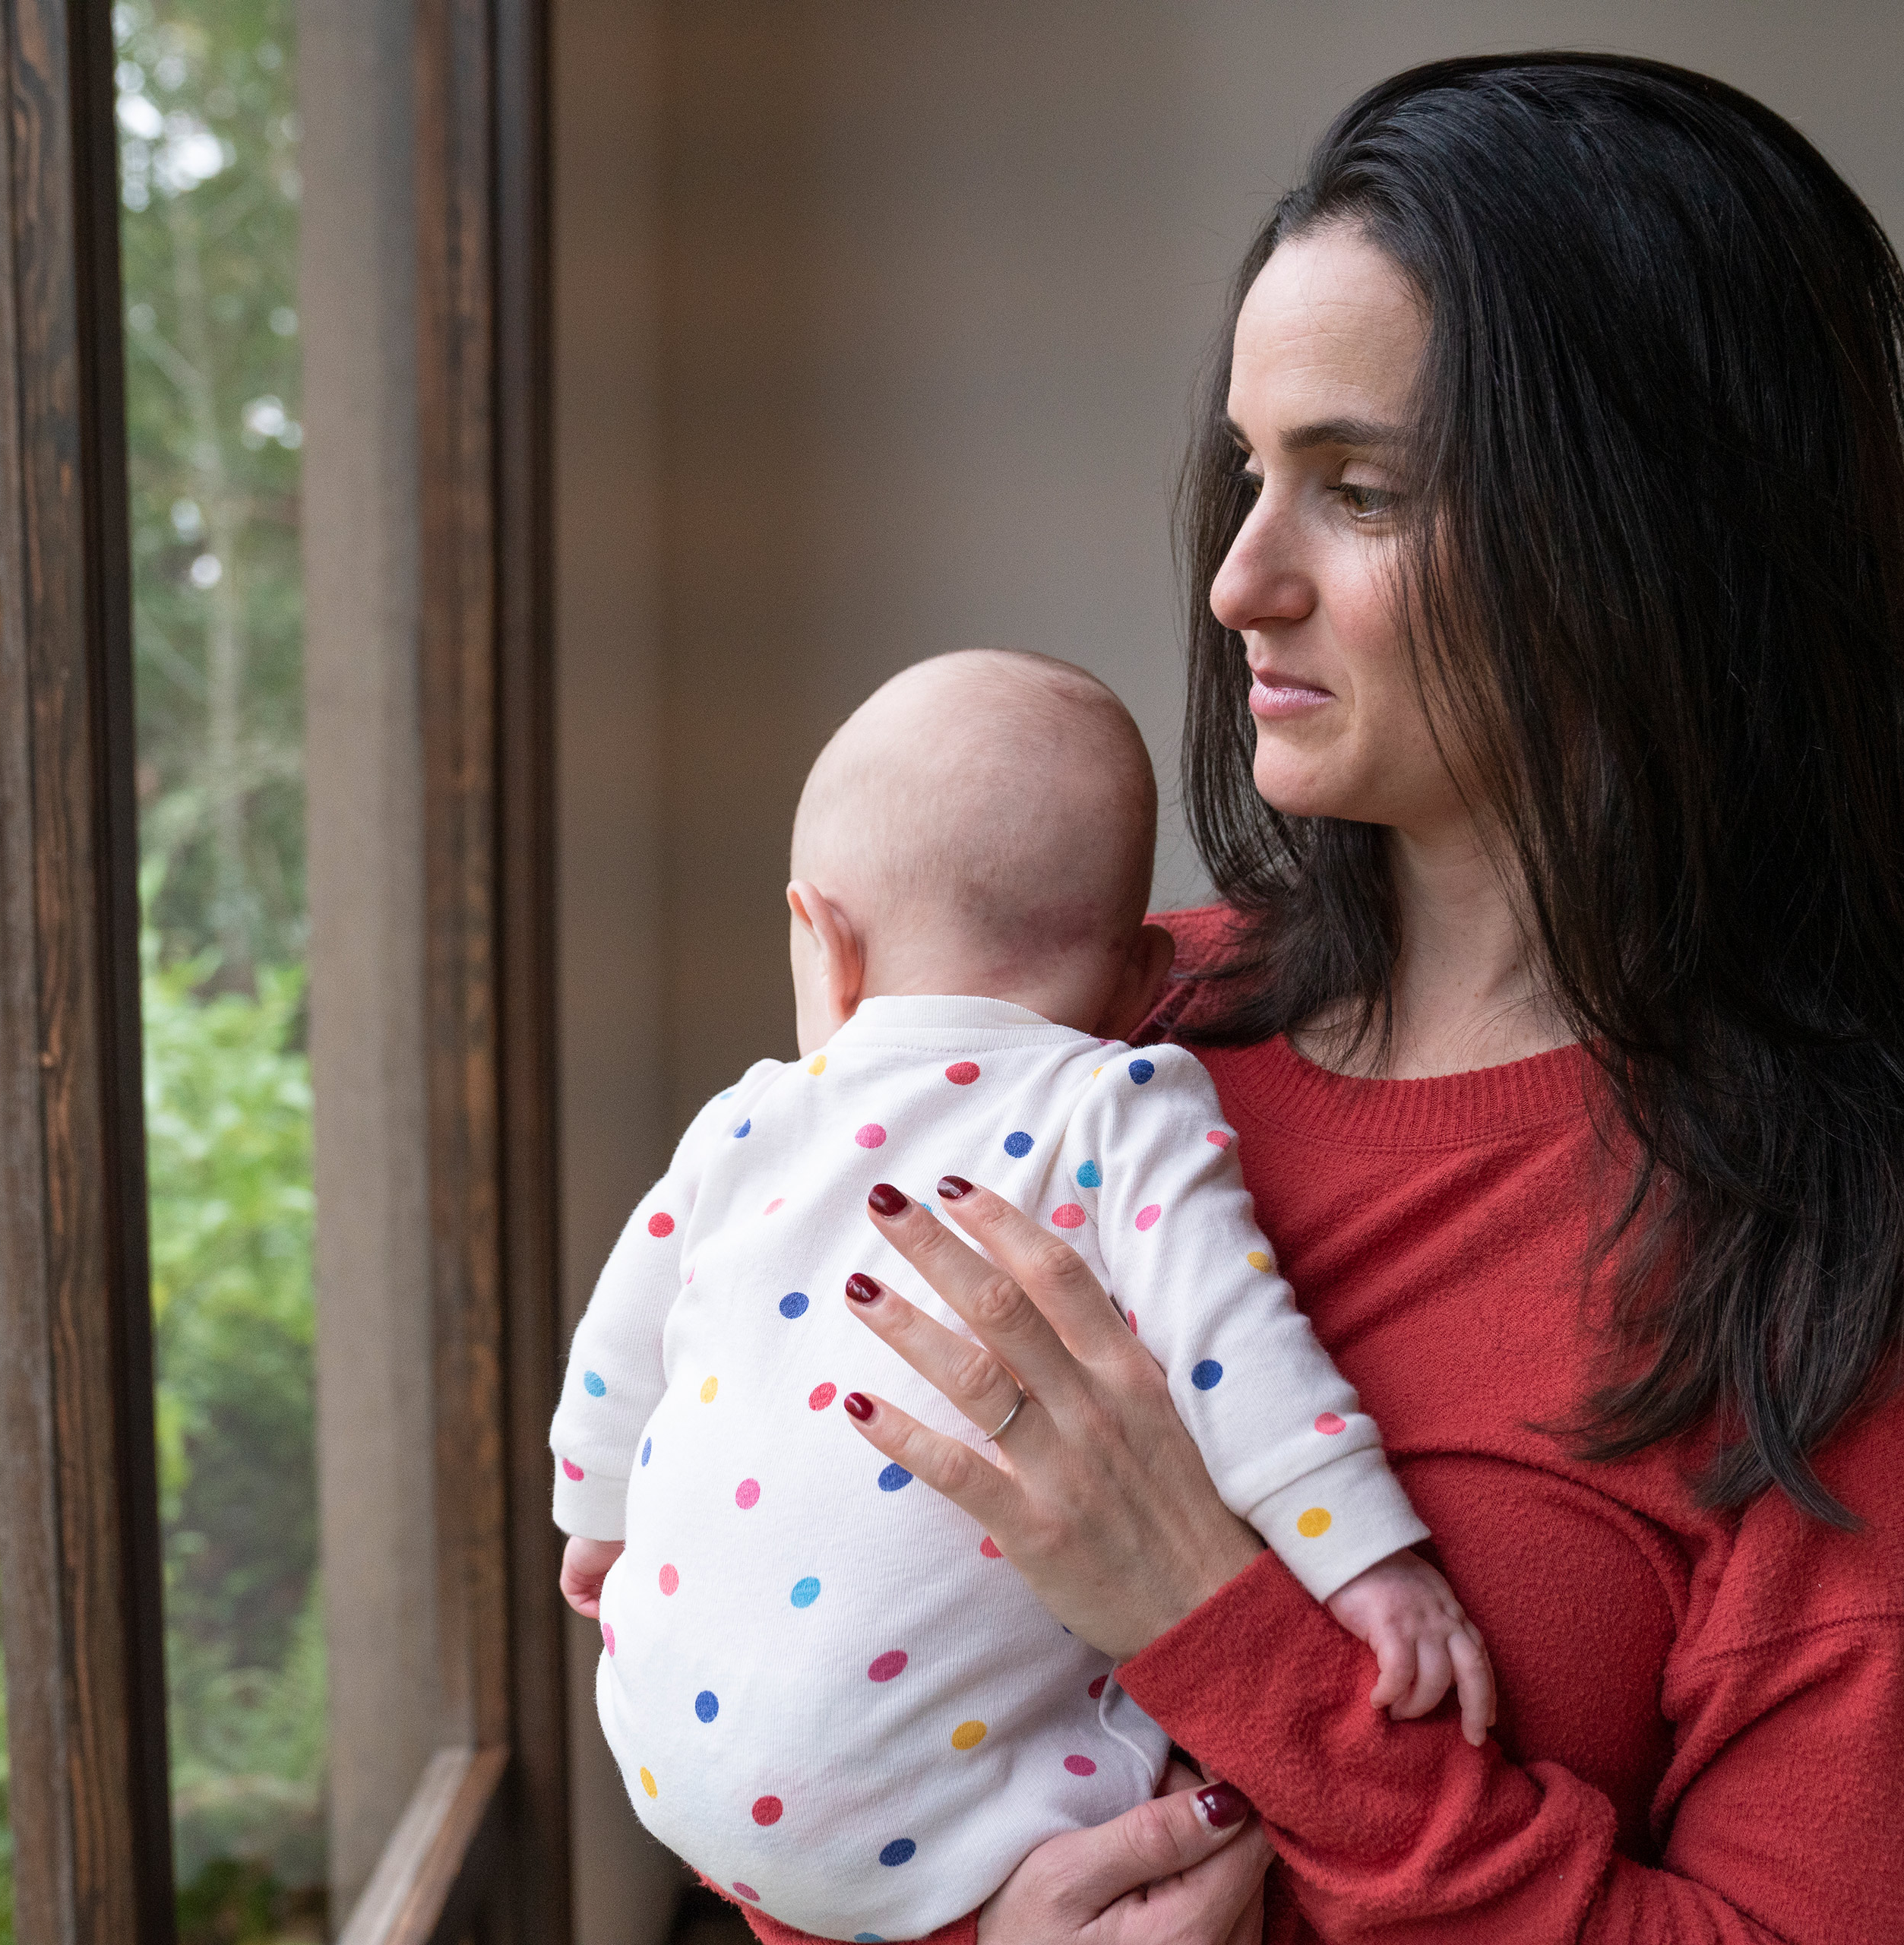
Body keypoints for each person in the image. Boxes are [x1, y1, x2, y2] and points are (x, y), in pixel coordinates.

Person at [743, 52, 1904, 1945]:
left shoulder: (1844, 1281)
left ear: (1654, 542)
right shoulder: (1110, 1023)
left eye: (1358, 489)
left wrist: (1217, 1622)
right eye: (1251, 474)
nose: (1237, 580)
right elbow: (755, 1669)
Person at [550, 650, 1491, 1940]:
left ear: (821, 939)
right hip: (952, 1829)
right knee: (1164, 1775)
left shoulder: (750, 1117)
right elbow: (1235, 1355)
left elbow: (623, 1346)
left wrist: (598, 1519)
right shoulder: (1117, 1106)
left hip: (668, 1753)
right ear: (1143, 979)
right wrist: (1372, 1564)